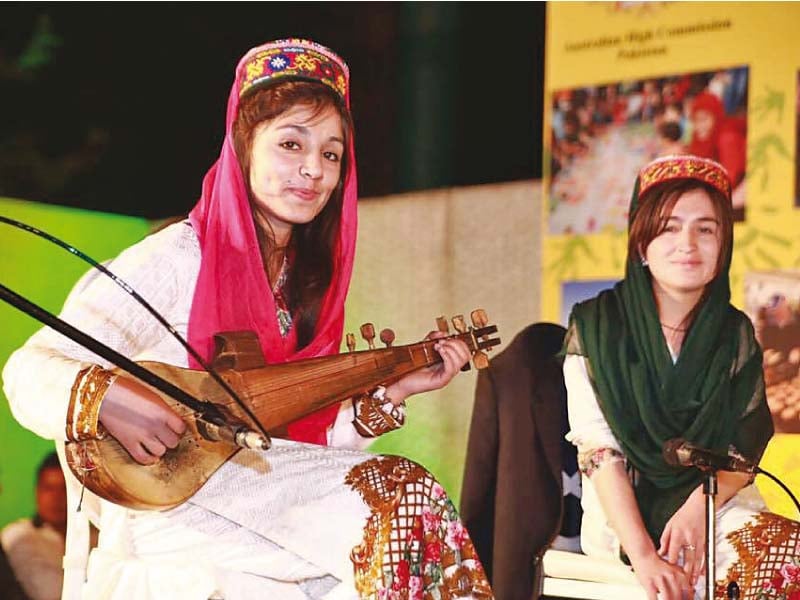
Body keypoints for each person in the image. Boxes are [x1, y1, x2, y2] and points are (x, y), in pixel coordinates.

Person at [3, 39, 491, 600]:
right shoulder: (179, 257)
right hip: (177, 509)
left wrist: (388, 395)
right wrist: (111, 398)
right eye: (291, 144)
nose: (314, 170)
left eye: (332, 154)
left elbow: (289, 446)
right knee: (402, 495)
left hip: (256, 498)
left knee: (391, 540)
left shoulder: (301, 284)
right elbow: (27, 369)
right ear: (243, 148)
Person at [563, 154, 800, 600]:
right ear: (641, 243)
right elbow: (599, 452)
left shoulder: (735, 332)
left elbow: (744, 445)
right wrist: (647, 557)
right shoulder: (595, 326)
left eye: (705, 229)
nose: (687, 243)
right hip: (627, 525)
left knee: (783, 556)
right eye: (670, 227)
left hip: (717, 509)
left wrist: (701, 510)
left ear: (723, 245)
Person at [0, 451, 66, 600]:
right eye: (49, 488)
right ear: (37, 491)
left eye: (64, 489)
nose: (56, 498)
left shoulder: (102, 539)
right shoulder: (17, 536)